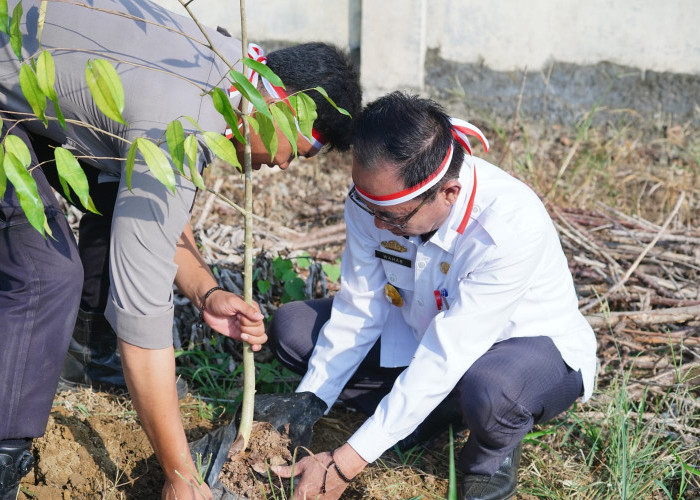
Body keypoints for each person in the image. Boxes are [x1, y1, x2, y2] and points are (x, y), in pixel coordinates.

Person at [0, 0, 361, 498]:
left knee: (120, 191)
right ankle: (5, 454)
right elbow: (142, 307)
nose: (280, 167)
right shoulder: (186, 121)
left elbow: (156, 217)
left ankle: (93, 362)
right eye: (294, 152)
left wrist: (207, 291)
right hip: (7, 86)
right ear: (279, 103)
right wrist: (180, 474)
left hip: (33, 84)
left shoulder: (230, 63)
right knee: (46, 276)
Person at [269, 92, 597, 500]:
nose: (375, 223)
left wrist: (346, 461)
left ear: (449, 193)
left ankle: (490, 453)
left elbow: (448, 353)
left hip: (519, 351)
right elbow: (359, 306)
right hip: (419, 328)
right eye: (366, 203)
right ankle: (434, 412)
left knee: (492, 392)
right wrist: (310, 401)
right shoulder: (377, 200)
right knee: (293, 330)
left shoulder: (508, 226)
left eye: (391, 216)